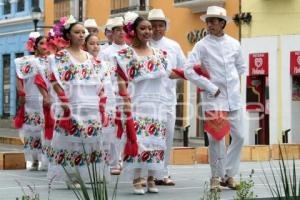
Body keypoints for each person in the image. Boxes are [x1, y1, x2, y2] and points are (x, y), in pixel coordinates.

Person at [114, 11, 181, 195]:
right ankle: (137, 178)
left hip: (158, 104)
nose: (148, 31)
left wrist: (192, 72)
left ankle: (151, 178)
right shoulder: (125, 54)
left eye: (150, 28)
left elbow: (171, 74)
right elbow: (121, 80)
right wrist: (125, 100)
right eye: (143, 28)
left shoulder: (160, 54)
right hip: (137, 103)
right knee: (139, 141)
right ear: (133, 31)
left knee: (156, 142)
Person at [184, 6, 246, 191]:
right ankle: (215, 177)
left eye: (213, 21)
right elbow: (188, 70)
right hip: (214, 99)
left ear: (222, 23)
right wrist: (210, 86)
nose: (209, 24)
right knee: (216, 139)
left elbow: (241, 68)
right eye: (208, 21)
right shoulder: (201, 45)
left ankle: (230, 174)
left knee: (240, 136)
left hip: (233, 98)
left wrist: (233, 86)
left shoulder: (235, 44)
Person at [46, 15, 107, 187]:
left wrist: (101, 100)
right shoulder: (60, 57)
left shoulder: (90, 58)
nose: (81, 35)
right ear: (68, 35)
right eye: (77, 32)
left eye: (83, 32)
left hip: (90, 104)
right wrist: (63, 99)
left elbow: (99, 81)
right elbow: (53, 79)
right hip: (72, 103)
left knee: (89, 141)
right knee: (71, 141)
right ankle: (71, 177)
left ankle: (85, 175)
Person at [148, 8, 186, 186]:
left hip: (168, 98)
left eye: (160, 26)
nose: (156, 29)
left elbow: (185, 70)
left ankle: (163, 172)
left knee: (168, 134)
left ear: (165, 27)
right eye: (153, 26)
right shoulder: (141, 46)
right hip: (147, 99)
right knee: (149, 136)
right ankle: (149, 172)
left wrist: (175, 74)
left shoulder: (173, 45)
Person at [14, 32, 49, 171]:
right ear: (34, 46)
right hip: (31, 99)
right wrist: (21, 94)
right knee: (31, 131)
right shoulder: (26, 61)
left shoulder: (51, 60)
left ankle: (45, 159)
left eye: (46, 42)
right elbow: (19, 79)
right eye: (41, 43)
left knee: (45, 130)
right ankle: (34, 160)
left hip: (47, 99)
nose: (45, 46)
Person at [100, 16, 128, 176]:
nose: (120, 33)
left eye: (123, 30)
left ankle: (124, 158)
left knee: (126, 128)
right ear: (113, 32)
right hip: (112, 96)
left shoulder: (130, 51)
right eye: (117, 30)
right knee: (113, 129)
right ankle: (114, 160)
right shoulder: (106, 52)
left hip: (128, 95)